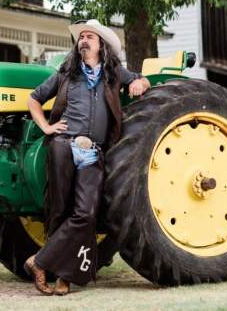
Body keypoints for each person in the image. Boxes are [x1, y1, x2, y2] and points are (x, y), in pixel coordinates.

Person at [23, 19, 150, 295]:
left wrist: (140, 84)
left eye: (89, 36)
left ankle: (40, 261)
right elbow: (34, 99)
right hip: (64, 146)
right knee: (60, 208)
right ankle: (62, 277)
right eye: (81, 37)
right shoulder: (66, 74)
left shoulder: (114, 74)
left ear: (100, 45)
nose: (84, 40)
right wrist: (46, 127)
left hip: (93, 151)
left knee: (86, 213)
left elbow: (142, 79)